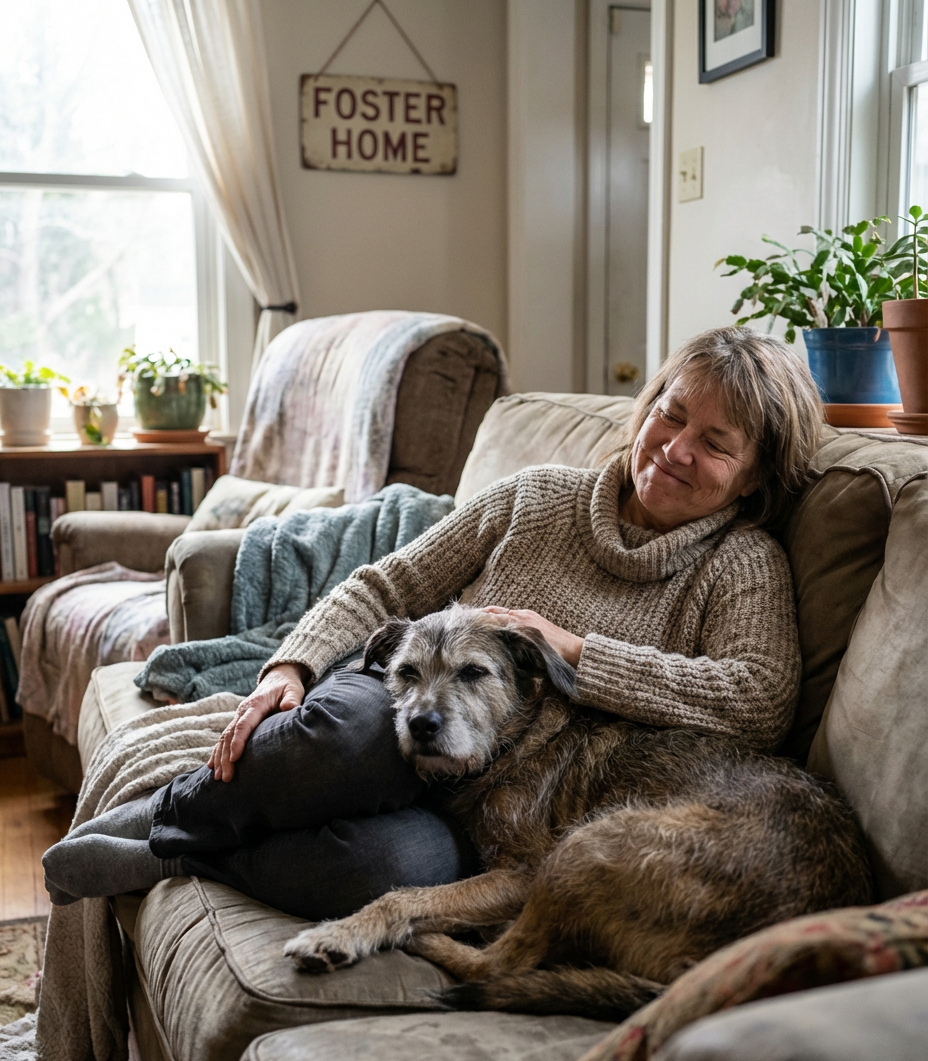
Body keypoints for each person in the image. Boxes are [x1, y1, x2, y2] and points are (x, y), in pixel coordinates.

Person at [43, 326, 824, 919]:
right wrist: (294, 665)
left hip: (510, 793)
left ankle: (184, 860)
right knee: (349, 741)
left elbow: (756, 701)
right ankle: (170, 814)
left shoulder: (742, 564)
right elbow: (391, 583)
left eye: (715, 443)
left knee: (382, 869)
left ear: (756, 475)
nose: (674, 449)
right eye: (670, 413)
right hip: (417, 693)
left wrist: (575, 651)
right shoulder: (538, 497)